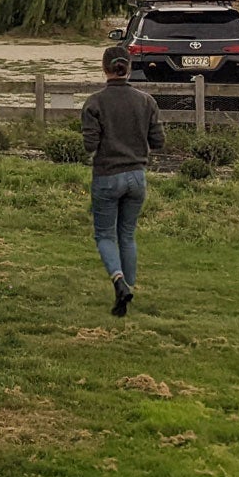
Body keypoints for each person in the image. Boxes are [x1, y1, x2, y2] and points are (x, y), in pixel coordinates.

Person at [80, 45, 164, 317]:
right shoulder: (146, 101)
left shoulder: (95, 102)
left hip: (107, 175)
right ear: (128, 67)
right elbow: (158, 141)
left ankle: (118, 281)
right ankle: (129, 289)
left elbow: (89, 145)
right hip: (137, 177)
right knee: (127, 235)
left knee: (104, 234)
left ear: (104, 69)